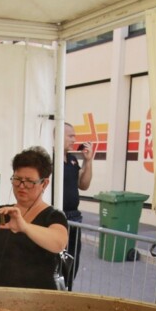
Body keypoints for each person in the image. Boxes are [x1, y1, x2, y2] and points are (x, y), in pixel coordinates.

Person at [0, 147, 69, 290]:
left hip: (37, 300)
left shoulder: (54, 216)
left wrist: (25, 227)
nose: (21, 186)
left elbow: (58, 242)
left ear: (44, 183)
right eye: (17, 180)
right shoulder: (2, 212)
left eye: (29, 181)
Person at [60, 122, 93, 290]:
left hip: (74, 218)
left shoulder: (72, 160)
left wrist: (88, 161)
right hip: (59, 217)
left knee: (73, 259)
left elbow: (84, 184)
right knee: (59, 259)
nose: (74, 139)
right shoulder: (52, 159)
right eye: (70, 136)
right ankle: (58, 289)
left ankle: (68, 288)